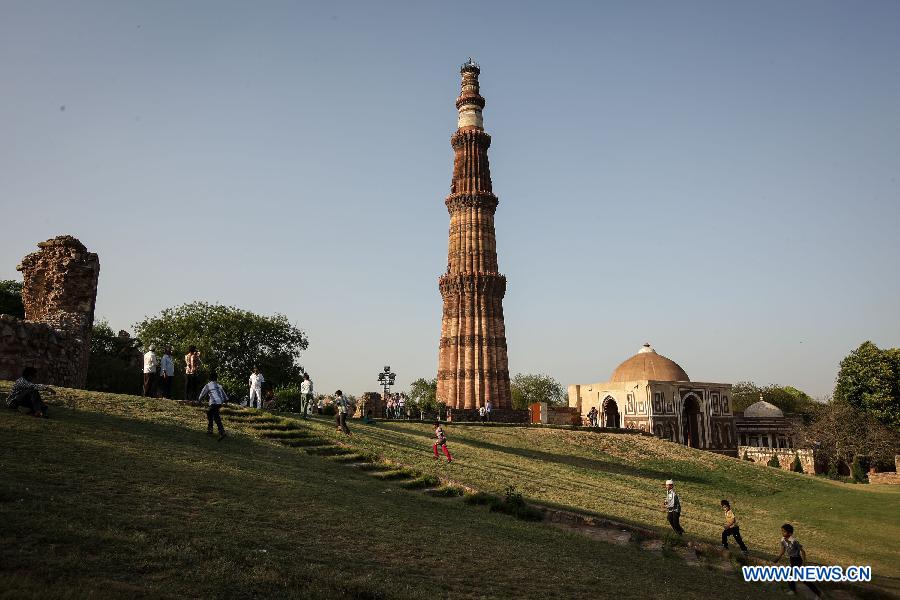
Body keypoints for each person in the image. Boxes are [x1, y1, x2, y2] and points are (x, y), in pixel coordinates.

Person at [773, 523, 822, 597]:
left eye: (784, 531)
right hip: (792, 560)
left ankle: (818, 594)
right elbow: (783, 549)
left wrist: (804, 563)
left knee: (801, 578)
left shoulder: (794, 541)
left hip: (797, 560)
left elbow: (803, 552)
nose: (782, 533)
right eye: (782, 531)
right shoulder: (783, 539)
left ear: (790, 533)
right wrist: (778, 558)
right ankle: (794, 590)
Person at [198, 370, 228, 441]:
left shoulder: (208, 385)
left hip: (214, 402)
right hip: (220, 402)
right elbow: (224, 395)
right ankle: (210, 429)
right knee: (210, 413)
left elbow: (202, 394)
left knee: (215, 416)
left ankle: (221, 431)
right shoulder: (219, 386)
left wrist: (199, 400)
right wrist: (226, 400)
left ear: (209, 379)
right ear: (216, 379)